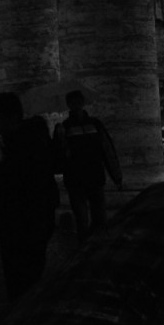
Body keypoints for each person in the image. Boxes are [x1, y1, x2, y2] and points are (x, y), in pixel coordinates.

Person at [0, 91, 58, 301]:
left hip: (22, 227)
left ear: (12, 117)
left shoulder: (22, 148)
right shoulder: (25, 142)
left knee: (22, 286)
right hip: (25, 226)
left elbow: (12, 186)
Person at [52, 89, 123, 242]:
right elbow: (58, 156)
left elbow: (107, 149)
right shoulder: (64, 127)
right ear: (69, 104)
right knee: (82, 221)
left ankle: (97, 248)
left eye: (78, 101)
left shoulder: (95, 124)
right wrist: (60, 140)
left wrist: (117, 176)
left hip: (94, 177)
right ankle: (86, 249)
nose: (76, 105)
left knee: (99, 219)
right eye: (73, 102)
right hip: (76, 179)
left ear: (83, 103)